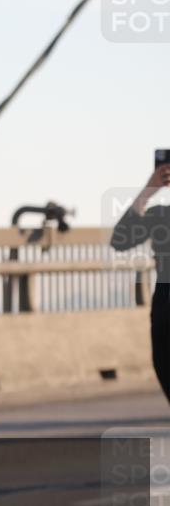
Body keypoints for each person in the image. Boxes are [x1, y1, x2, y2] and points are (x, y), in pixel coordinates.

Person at [110, 161, 170, 403]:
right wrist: (148, 190)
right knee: (164, 367)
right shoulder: (160, 215)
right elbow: (120, 240)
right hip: (165, 303)